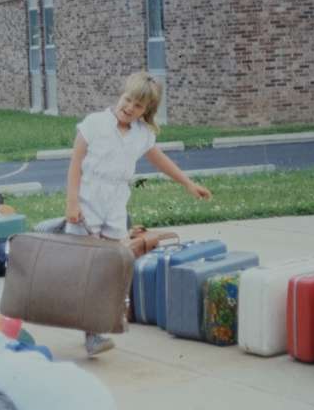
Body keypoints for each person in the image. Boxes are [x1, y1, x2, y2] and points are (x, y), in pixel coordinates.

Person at [65, 71, 212, 357]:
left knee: (113, 265)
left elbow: (160, 160)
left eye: (137, 106)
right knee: (91, 267)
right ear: (121, 95)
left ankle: (98, 323)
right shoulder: (95, 124)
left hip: (116, 203)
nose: (129, 107)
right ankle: (93, 332)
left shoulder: (141, 135)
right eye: (127, 99)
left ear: (146, 111)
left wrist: (188, 184)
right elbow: (75, 162)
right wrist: (72, 202)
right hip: (88, 198)